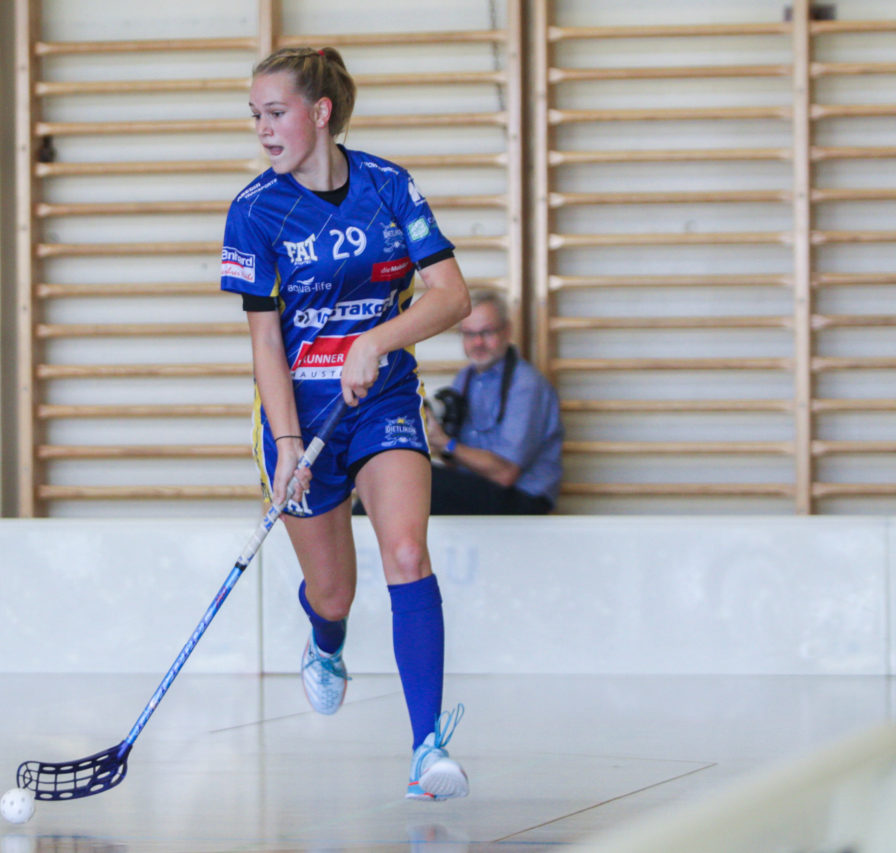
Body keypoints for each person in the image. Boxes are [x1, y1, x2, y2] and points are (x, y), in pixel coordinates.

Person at [220, 46, 471, 801]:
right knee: (334, 594)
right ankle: (325, 642)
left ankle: (426, 746)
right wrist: (289, 445)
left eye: (276, 113)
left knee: (405, 549)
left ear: (319, 112)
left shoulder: (389, 186)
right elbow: (266, 339)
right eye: (255, 116)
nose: (263, 130)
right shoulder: (254, 210)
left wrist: (376, 342)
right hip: (301, 417)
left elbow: (451, 295)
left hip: (384, 402)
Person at [425, 291, 563, 515]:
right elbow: (456, 461)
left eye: (486, 332)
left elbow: (505, 474)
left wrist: (446, 444)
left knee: (417, 480)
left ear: (507, 331)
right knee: (403, 475)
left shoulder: (526, 385)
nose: (477, 342)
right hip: (480, 487)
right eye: (469, 334)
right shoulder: (465, 378)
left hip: (523, 497)